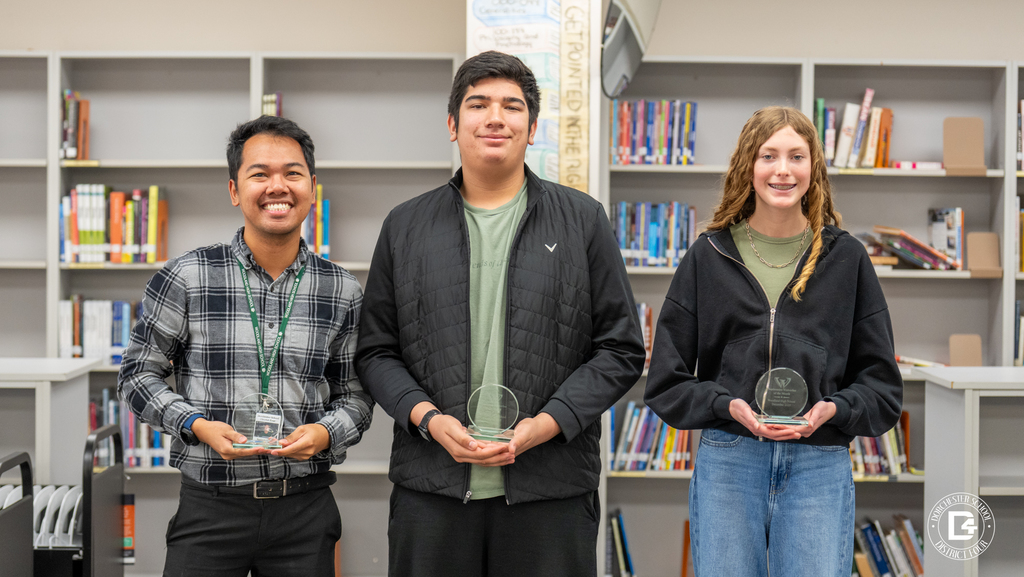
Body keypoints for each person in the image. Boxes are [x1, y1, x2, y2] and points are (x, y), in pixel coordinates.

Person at [355, 50, 645, 577]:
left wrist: (548, 425)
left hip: (550, 489)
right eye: (478, 104)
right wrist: (429, 420)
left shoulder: (583, 221)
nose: (495, 117)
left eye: (512, 107)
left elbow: (621, 349)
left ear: (532, 128)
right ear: (452, 123)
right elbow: (376, 350)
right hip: (431, 488)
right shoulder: (405, 226)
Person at [644, 106, 903, 577]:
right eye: (769, 156)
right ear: (749, 166)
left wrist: (834, 410)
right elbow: (665, 382)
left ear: (814, 169)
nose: (783, 170)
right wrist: (726, 406)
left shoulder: (847, 258)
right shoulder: (708, 256)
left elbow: (882, 388)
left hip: (819, 464)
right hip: (729, 460)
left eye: (796, 157)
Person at [118, 115, 373, 577]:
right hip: (210, 507)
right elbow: (137, 375)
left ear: (311, 188)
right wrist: (195, 424)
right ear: (235, 190)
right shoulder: (187, 277)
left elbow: (356, 396)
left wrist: (325, 434)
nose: (278, 186)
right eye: (260, 174)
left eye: (292, 174)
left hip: (305, 509)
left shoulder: (343, 290)